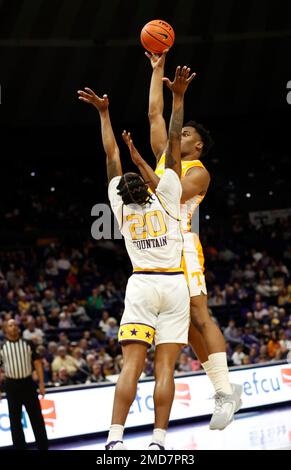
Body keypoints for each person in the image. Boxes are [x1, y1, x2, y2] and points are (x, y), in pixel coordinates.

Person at [78, 64, 194, 450]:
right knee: (165, 368)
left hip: (142, 282)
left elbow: (110, 153)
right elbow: (173, 140)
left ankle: (114, 439)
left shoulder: (121, 209)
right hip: (175, 285)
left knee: (131, 364)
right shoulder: (169, 194)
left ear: (122, 194)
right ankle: (158, 441)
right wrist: (178, 97)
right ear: (146, 187)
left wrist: (104, 113)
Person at [130, 49, 242, 430]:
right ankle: (224, 388)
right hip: (157, 253)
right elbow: (154, 115)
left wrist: (142, 169)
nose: (182, 134)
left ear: (197, 146)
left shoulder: (198, 171)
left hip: (182, 247)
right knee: (188, 329)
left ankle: (226, 393)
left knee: (200, 314)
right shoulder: (165, 157)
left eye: (188, 133)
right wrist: (157, 68)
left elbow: (169, 194)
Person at [0, 319, 48, 450]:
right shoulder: (2, 346)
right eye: (10, 325)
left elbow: (37, 363)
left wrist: (42, 384)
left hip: (28, 384)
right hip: (11, 385)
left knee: (37, 419)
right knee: (15, 422)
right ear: (6, 330)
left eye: (15, 324)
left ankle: (43, 448)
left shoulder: (28, 343)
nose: (14, 327)